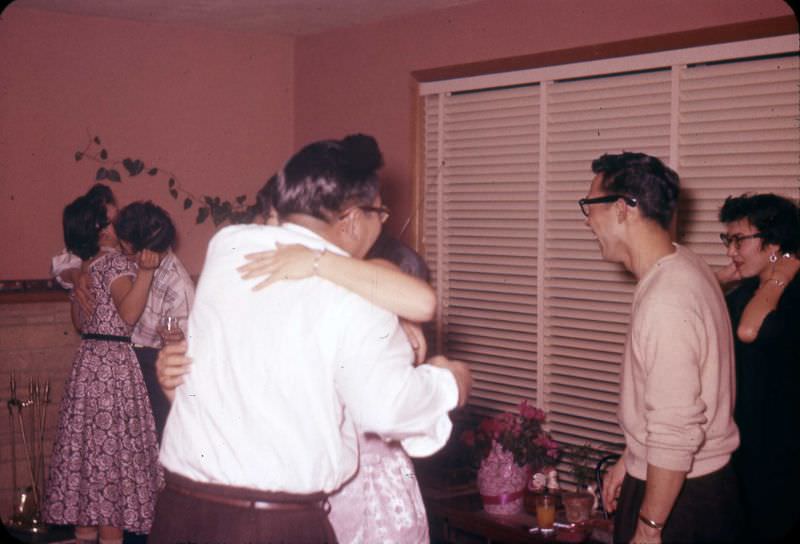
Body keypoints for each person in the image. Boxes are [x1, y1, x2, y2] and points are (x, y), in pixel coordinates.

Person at [149, 134, 471, 544]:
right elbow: (388, 409)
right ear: (353, 219)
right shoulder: (361, 296)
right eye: (380, 214)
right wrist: (450, 381)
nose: (382, 225)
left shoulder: (227, 248)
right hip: (269, 526)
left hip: (178, 511)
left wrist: (322, 264)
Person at [584, 152, 741, 543]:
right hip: (693, 482)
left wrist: (649, 528)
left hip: (679, 500)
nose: (587, 219)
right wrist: (630, 458)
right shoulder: (684, 265)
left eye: (590, 206)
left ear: (622, 209)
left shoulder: (666, 299)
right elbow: (675, 396)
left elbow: (675, 429)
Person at [42, 193, 163, 544]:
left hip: (89, 364)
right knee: (111, 463)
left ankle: (84, 535)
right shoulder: (113, 265)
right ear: (99, 231)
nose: (118, 224)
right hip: (113, 370)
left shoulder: (89, 267)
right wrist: (145, 272)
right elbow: (128, 315)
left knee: (90, 461)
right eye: (112, 220)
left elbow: (80, 322)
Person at [716, 193, 800, 542]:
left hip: (785, 450)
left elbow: (750, 331)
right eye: (727, 239)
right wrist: (724, 275)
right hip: (746, 443)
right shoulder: (746, 289)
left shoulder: (791, 293)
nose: (731, 250)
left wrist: (782, 275)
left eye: (739, 240)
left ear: (774, 241)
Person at [114, 200, 195, 442]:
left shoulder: (178, 285)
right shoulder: (127, 261)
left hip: (152, 368)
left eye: (125, 247)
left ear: (139, 248)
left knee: (154, 444)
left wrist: (178, 339)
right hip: (122, 362)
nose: (121, 249)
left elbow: (189, 350)